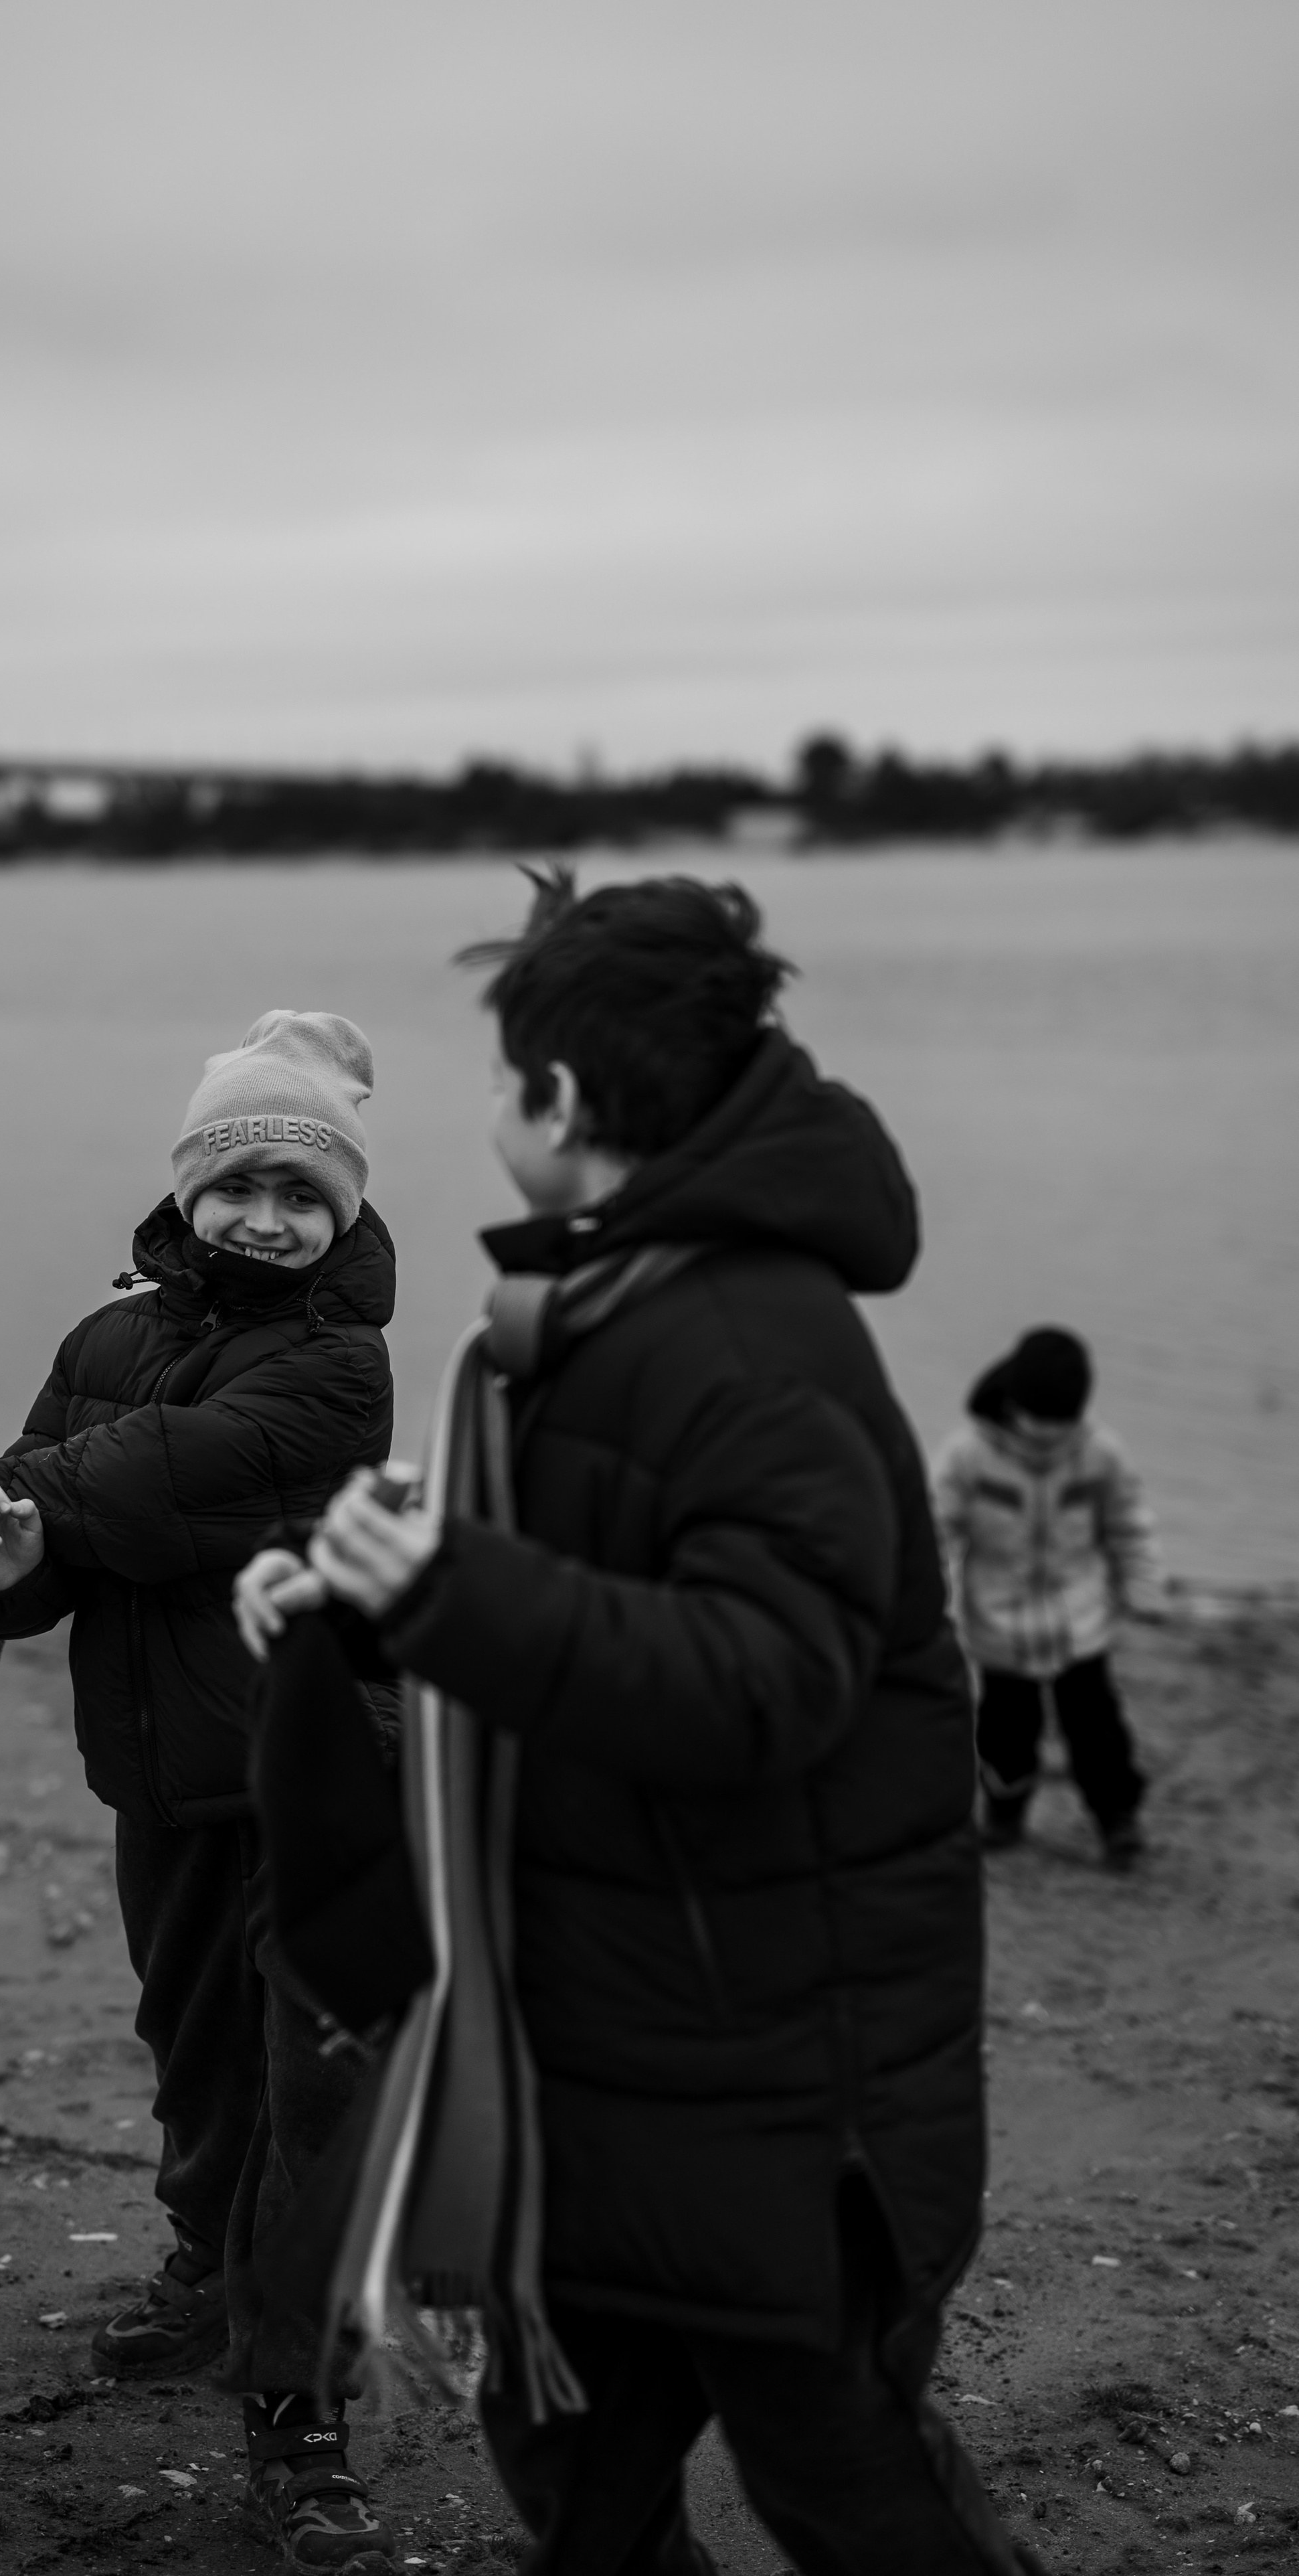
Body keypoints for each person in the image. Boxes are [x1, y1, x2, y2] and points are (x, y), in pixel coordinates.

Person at [239, 872, 1045, 2576]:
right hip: (635, 2033)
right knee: (568, 2446)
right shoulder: (629, 1302)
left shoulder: (748, 1337)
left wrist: (452, 1585)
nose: (488, 1108)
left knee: (837, 2474)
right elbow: (582, 1592)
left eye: (498, 1075)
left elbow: (764, 1674)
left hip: (779, 2065)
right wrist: (364, 1589)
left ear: (558, 1101)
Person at [0, 1009, 400, 2572]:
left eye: (303, 1191)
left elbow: (168, 1478)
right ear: (189, 1188)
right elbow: (48, 1537)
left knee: (313, 2084)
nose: (267, 1217)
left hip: (317, 1772)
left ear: (341, 1210)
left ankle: (303, 2412)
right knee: (195, 2045)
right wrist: (11, 1566)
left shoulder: (343, 1367)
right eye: (239, 1184)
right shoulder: (101, 1342)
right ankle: (209, 2268)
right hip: (163, 1781)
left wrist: (32, 1497)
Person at [932, 1326, 1162, 1866]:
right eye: (1035, 1426)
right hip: (1000, 1625)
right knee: (1005, 1731)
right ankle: (1006, 1812)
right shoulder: (968, 1456)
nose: (1046, 1441)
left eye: (1060, 1429)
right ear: (1012, 1405)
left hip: (1079, 1624)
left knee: (1097, 1729)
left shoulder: (1100, 1454)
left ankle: (1118, 1820)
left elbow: (1129, 1523)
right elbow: (938, 1528)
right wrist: (932, 1597)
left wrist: (1143, 1586)